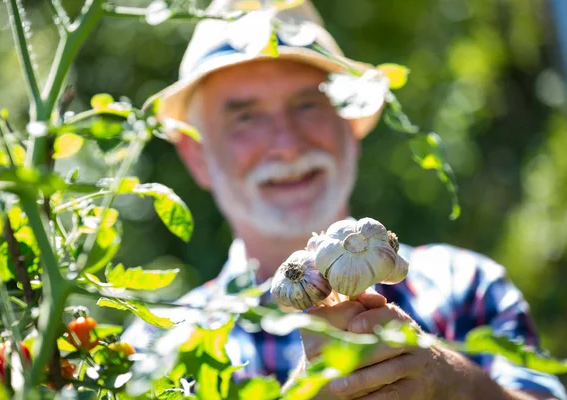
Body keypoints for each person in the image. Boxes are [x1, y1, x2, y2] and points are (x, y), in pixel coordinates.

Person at [122, 1, 567, 398]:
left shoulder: (465, 286)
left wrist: (452, 382)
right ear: (197, 155)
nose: (287, 143)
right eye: (246, 117)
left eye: (308, 105)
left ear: (351, 123)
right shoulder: (160, 344)